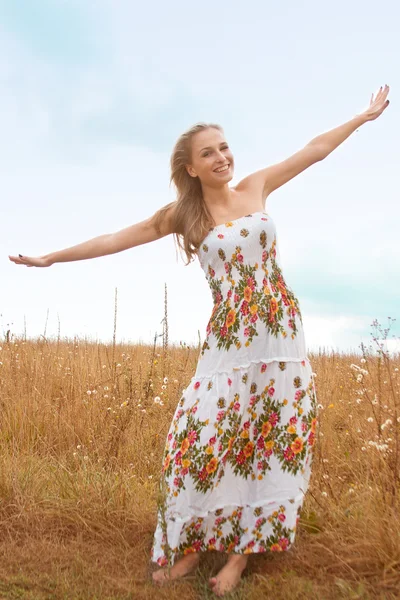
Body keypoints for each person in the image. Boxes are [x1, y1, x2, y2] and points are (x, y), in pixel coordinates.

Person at [8, 85, 390, 597]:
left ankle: (239, 558)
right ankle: (191, 545)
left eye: (224, 147)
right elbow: (114, 239)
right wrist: (52, 258)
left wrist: (362, 118)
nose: (222, 157)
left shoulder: (256, 187)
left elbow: (314, 150)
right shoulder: (183, 216)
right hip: (228, 336)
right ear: (190, 167)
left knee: (270, 435)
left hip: (279, 331)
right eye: (208, 152)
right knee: (202, 433)